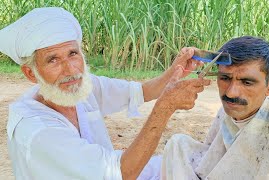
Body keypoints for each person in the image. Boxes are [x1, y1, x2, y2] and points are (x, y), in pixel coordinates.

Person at [0, 7, 211, 180]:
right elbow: (122, 173)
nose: (70, 69)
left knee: (178, 166)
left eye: (73, 54)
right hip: (116, 173)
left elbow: (139, 92)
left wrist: (174, 72)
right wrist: (165, 107)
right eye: (53, 60)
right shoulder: (38, 130)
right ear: (30, 73)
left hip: (111, 171)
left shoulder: (80, 87)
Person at [161, 36, 269, 179]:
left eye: (247, 82)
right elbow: (211, 157)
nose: (231, 93)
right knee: (177, 144)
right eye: (225, 78)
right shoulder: (228, 110)